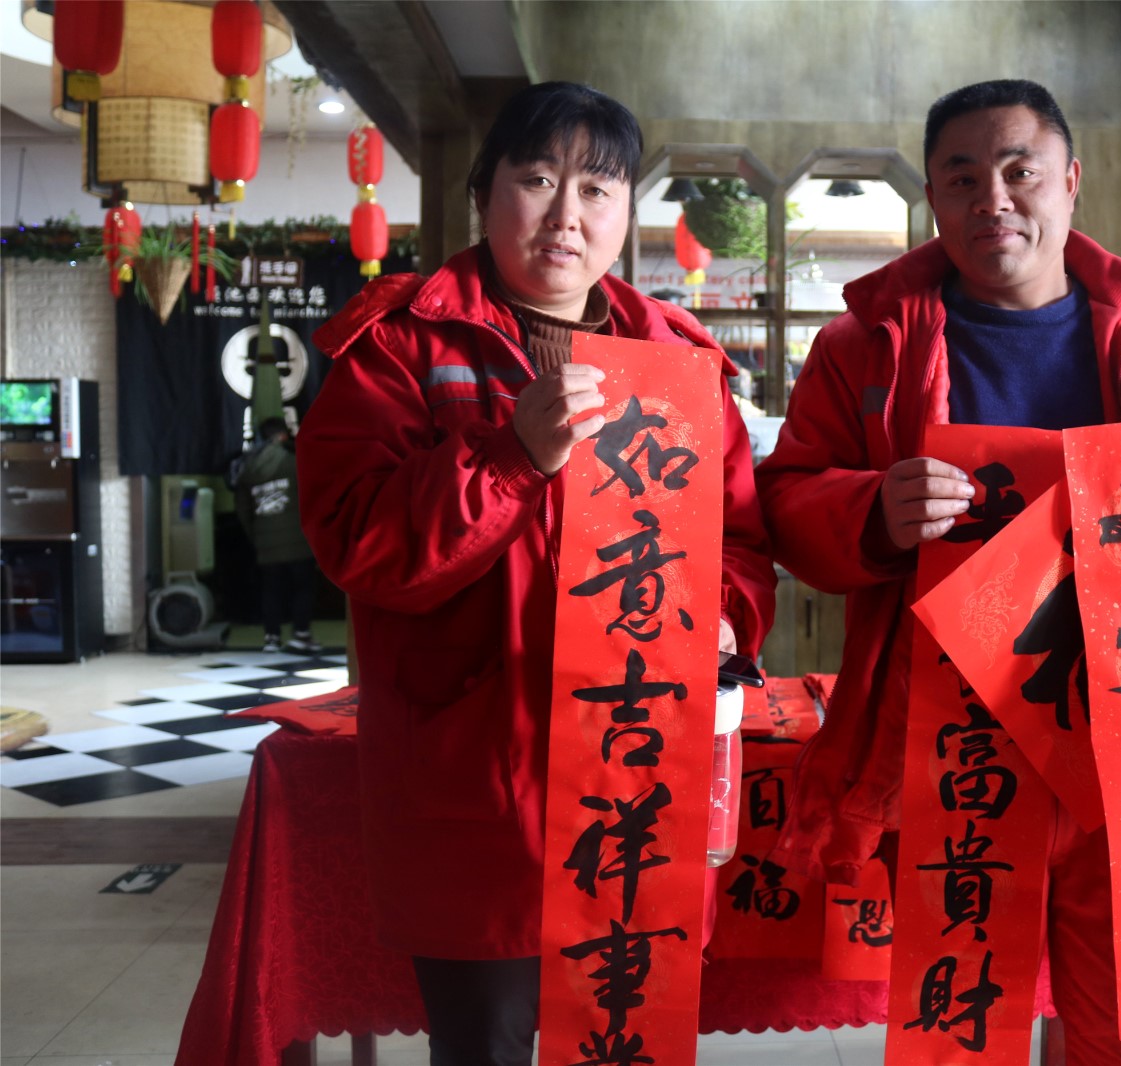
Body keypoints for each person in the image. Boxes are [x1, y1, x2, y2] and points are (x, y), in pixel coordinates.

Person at [756, 79, 1121, 1064]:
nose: (993, 200)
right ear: (932, 195)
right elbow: (787, 500)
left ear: (1071, 180)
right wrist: (871, 510)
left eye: (1020, 171)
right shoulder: (864, 345)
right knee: (961, 1022)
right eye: (963, 178)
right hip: (950, 727)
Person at [295, 82, 775, 1066]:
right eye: (537, 179)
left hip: (637, 760)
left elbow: (737, 542)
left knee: (624, 1032)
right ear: (484, 192)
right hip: (476, 774)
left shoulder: (674, 360)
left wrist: (725, 615)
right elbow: (360, 543)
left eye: (596, 188)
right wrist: (512, 455)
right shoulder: (401, 346)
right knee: (488, 1042)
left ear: (627, 212)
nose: (566, 215)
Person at [231, 416, 321, 654]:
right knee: (302, 587)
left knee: (271, 590)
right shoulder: (293, 461)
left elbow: (242, 509)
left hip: (265, 541)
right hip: (298, 539)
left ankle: (271, 637)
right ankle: (301, 634)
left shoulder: (248, 467)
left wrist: (256, 534)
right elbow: (311, 497)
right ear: (283, 435)